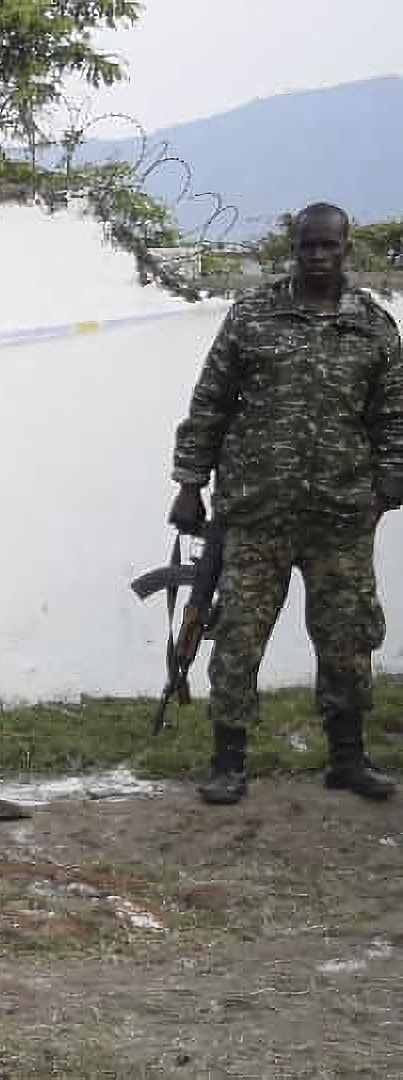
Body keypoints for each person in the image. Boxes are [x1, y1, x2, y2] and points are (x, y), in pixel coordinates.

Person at [169, 202, 403, 805]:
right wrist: (190, 484)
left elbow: (392, 420)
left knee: (348, 640)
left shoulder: (374, 328)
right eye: (308, 246)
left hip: (340, 518)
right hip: (255, 513)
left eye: (329, 246)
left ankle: (348, 759)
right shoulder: (252, 318)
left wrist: (384, 491)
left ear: (347, 249)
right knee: (240, 638)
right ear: (293, 249)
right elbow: (211, 402)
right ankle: (228, 762)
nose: (318, 256)